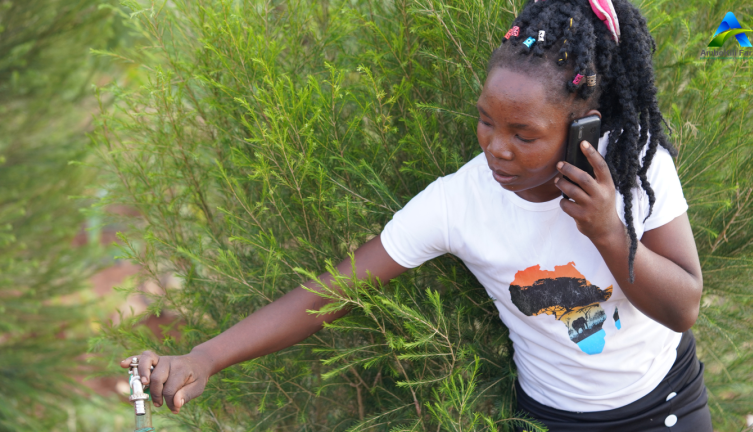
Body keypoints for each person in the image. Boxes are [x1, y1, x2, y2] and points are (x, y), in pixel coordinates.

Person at [120, 0, 712, 430]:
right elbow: (329, 293)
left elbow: (682, 307)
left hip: (667, 407)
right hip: (550, 420)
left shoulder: (636, 168)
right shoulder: (459, 203)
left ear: (583, 125)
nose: (496, 148)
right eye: (486, 121)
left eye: (524, 134)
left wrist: (609, 228)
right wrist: (204, 357)